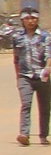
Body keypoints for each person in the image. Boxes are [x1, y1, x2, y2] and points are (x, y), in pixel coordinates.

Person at [14, 8, 51, 145]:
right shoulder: (17, 37)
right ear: (22, 20)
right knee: (26, 104)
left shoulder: (44, 36)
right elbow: (16, 59)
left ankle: (43, 135)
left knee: (45, 107)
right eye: (27, 19)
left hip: (42, 76)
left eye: (33, 18)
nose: (31, 21)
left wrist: (47, 68)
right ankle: (24, 134)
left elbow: (49, 54)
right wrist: (17, 77)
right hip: (25, 76)